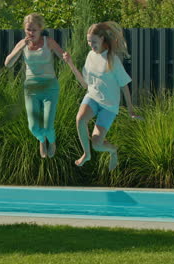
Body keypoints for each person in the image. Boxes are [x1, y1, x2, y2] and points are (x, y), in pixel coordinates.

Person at [63, 21, 142, 171]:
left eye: (94, 41)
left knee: (97, 144)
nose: (91, 44)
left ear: (102, 39)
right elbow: (85, 84)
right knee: (80, 119)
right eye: (88, 41)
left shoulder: (112, 59)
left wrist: (131, 110)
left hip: (109, 106)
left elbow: (124, 86)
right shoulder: (90, 56)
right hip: (92, 97)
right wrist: (71, 64)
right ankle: (86, 154)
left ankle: (113, 150)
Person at [5, 13, 78, 158]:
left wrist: (66, 57)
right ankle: (41, 139)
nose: (31, 33)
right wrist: (20, 49)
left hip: (50, 87)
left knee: (48, 126)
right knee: (33, 127)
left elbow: (62, 56)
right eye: (28, 30)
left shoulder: (48, 42)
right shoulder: (22, 44)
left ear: (40, 29)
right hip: (31, 89)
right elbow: (7, 64)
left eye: (34, 30)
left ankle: (51, 141)